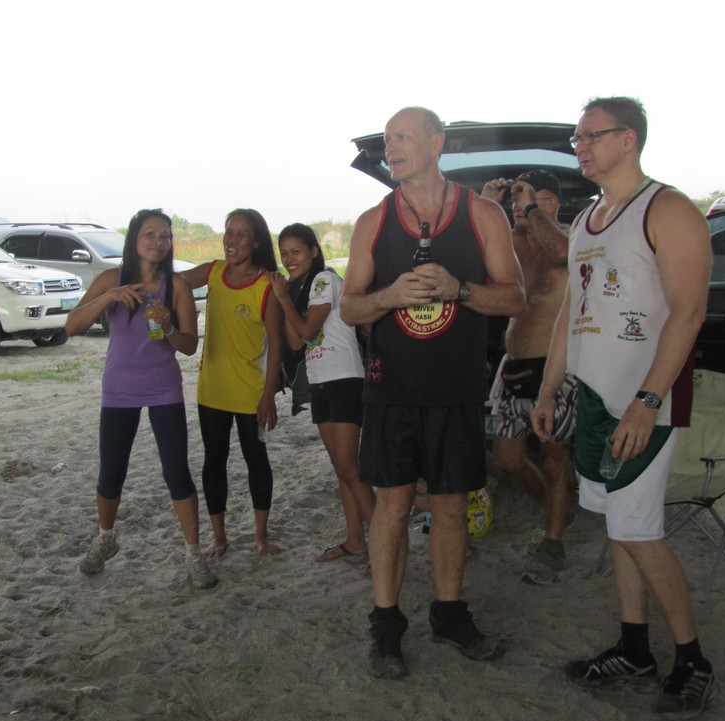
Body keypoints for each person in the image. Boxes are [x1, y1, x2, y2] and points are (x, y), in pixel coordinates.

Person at [531, 97, 716, 715]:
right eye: (577, 137)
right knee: (619, 525)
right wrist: (549, 387)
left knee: (638, 529)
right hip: (594, 397)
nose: (579, 146)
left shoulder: (669, 209)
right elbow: (572, 311)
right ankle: (634, 646)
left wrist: (647, 402)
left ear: (628, 139)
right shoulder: (587, 219)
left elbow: (689, 312)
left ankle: (692, 659)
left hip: (643, 402)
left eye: (591, 135)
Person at [341, 106, 525, 679]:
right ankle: (386, 626)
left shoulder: (482, 214)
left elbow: (515, 297)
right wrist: (389, 297)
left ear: (436, 143)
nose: (390, 148)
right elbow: (350, 308)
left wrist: (459, 289)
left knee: (450, 506)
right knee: (393, 506)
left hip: (456, 388)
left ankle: (449, 615)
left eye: (402, 137)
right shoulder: (373, 221)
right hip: (391, 388)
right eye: (387, 139)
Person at [65, 208, 217, 590]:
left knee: (176, 472)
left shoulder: (176, 285)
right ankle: (106, 538)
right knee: (111, 472)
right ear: (134, 239)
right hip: (119, 388)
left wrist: (167, 326)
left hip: (163, 387)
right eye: (150, 234)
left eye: (165, 236)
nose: (158, 242)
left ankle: (193, 552)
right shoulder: (109, 279)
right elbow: (71, 326)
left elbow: (188, 346)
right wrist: (110, 296)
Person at [481, 170, 578, 585]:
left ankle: (553, 543)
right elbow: (474, 259)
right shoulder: (512, 241)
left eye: (527, 197)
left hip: (555, 366)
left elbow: (563, 254)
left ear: (550, 202)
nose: (517, 205)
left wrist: (532, 208)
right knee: (507, 459)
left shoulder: (570, 236)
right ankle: (558, 510)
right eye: (515, 198)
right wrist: (487, 206)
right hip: (513, 365)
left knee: (555, 459)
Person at [267, 223, 375, 563]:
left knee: (349, 468)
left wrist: (282, 298)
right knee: (341, 468)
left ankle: (385, 546)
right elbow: (297, 342)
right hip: (321, 382)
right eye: (284, 254)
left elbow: (307, 330)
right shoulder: (302, 290)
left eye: (296, 252)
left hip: (344, 379)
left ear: (314, 251)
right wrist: (287, 299)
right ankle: (356, 540)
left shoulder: (324, 280)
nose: (289, 259)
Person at [182, 209, 284, 558]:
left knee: (256, 460)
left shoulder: (266, 285)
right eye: (229, 231)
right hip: (211, 390)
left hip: (251, 393)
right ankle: (219, 536)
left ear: (256, 242)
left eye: (241, 234)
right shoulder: (212, 272)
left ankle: (260, 536)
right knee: (214, 461)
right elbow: (175, 282)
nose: (231, 240)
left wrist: (269, 395)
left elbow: (276, 345)